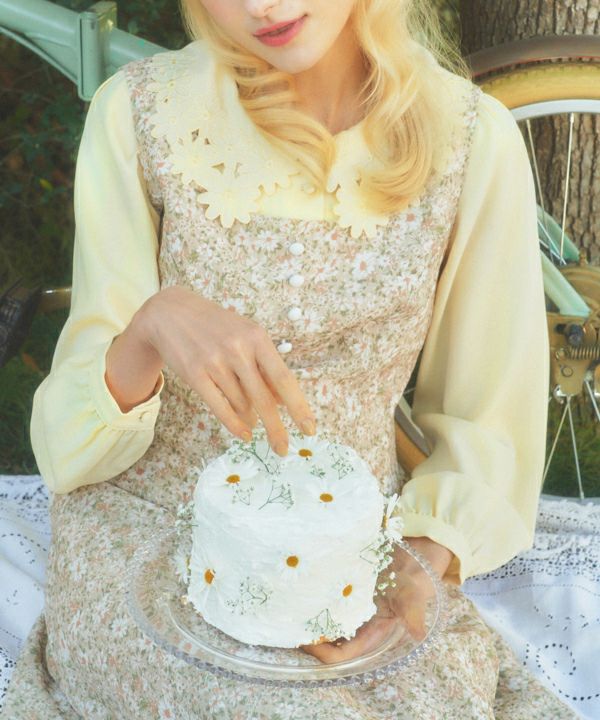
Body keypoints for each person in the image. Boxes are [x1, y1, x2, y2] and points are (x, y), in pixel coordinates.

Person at [1, 0, 579, 717]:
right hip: (143, 526)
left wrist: (420, 561)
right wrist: (152, 326)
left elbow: (485, 423)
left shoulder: (470, 138)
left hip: (352, 554)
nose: (261, 7)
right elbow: (66, 450)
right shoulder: (141, 114)